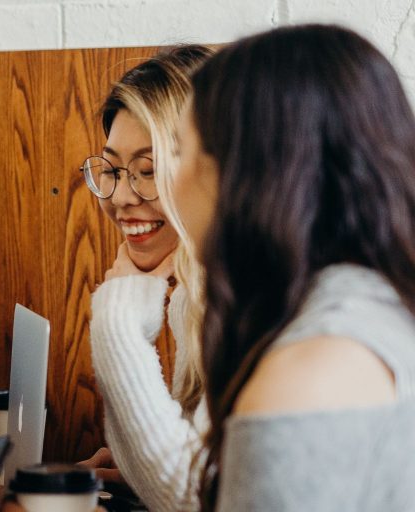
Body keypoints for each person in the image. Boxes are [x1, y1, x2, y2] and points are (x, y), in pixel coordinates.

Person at [174, 24, 415, 510]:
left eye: (180, 151)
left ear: (241, 173)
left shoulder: (308, 376)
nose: (168, 182)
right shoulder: (381, 310)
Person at [78, 46, 213, 512]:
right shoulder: (194, 295)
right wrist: (139, 467)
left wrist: (117, 323)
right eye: (113, 170)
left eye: (148, 171)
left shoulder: (258, 301)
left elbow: (194, 499)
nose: (119, 197)